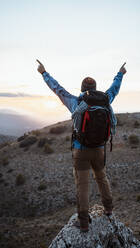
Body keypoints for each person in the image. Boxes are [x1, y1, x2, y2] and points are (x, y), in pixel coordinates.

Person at [37, 60, 127, 232]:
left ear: (81, 88)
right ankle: (108, 209)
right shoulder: (105, 99)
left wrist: (44, 73)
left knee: (83, 185)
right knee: (102, 178)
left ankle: (84, 222)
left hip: (81, 150)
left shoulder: (76, 103)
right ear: (95, 88)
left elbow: (58, 89)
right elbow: (115, 87)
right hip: (99, 149)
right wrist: (120, 73)